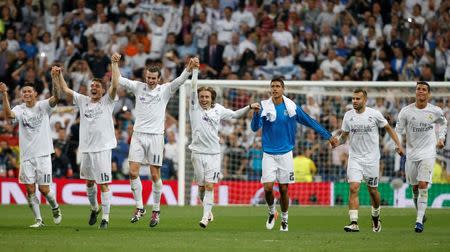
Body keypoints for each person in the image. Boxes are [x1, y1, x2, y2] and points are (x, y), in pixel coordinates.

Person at [111, 53, 198, 227]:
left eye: (154, 78)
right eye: (148, 77)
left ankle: (156, 210)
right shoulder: (138, 87)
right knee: (133, 172)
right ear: (145, 76)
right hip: (138, 135)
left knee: (154, 175)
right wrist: (114, 63)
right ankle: (139, 207)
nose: (150, 80)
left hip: (156, 137)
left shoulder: (164, 90)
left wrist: (189, 68)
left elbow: (180, 81)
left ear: (159, 79)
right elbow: (119, 78)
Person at [250, 77, 338, 232]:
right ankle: (272, 212)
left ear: (283, 89)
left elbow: (310, 122)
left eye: (278, 86)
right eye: (272, 86)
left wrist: (329, 136)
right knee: (268, 188)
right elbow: (254, 128)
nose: (275, 89)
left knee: (284, 189)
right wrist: (256, 114)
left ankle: (285, 219)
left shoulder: (291, 107)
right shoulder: (264, 106)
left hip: (285, 154)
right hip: (268, 154)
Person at [189, 64, 259, 228]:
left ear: (212, 98)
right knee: (201, 188)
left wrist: (249, 107)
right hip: (197, 153)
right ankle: (208, 210)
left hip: (214, 153)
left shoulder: (218, 110)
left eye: (207, 97)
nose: (204, 99)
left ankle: (205, 217)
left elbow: (235, 115)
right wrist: (195, 71)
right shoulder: (194, 107)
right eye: (202, 96)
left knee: (209, 186)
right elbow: (193, 86)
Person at [53, 63, 118, 229]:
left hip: (102, 149)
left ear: (103, 90)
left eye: (97, 86)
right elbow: (66, 89)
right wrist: (59, 74)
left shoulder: (107, 101)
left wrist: (114, 65)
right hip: (86, 149)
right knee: (89, 183)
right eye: (92, 86)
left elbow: (115, 84)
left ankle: (105, 218)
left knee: (103, 184)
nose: (94, 88)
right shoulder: (83, 101)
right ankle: (94, 208)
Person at [337, 88, 404, 233]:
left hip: (372, 160)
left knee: (373, 191)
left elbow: (388, 128)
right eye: (353, 98)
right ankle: (354, 223)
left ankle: (375, 217)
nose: (354, 101)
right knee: (353, 187)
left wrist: (398, 145)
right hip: (355, 158)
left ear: (365, 100)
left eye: (357, 99)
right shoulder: (348, 116)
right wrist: (337, 142)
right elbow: (344, 137)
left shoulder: (374, 114)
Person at [0, 80, 62, 228]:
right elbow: (9, 115)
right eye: (24, 92)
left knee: (44, 189)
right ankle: (39, 220)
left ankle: (55, 207)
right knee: (29, 189)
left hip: (43, 154)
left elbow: (57, 97)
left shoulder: (43, 106)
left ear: (35, 93)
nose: (26, 94)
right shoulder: (20, 109)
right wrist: (4, 94)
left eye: (29, 91)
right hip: (26, 156)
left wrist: (54, 79)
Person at [395, 81, 447, 233]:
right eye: (418, 89)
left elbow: (444, 123)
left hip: (428, 153)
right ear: (415, 92)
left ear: (428, 94)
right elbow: (398, 130)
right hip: (411, 154)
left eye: (424, 89)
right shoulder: (406, 111)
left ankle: (418, 221)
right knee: (415, 187)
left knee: (423, 183)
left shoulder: (435, 111)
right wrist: (398, 145)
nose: (421, 91)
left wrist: (441, 138)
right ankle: (421, 212)